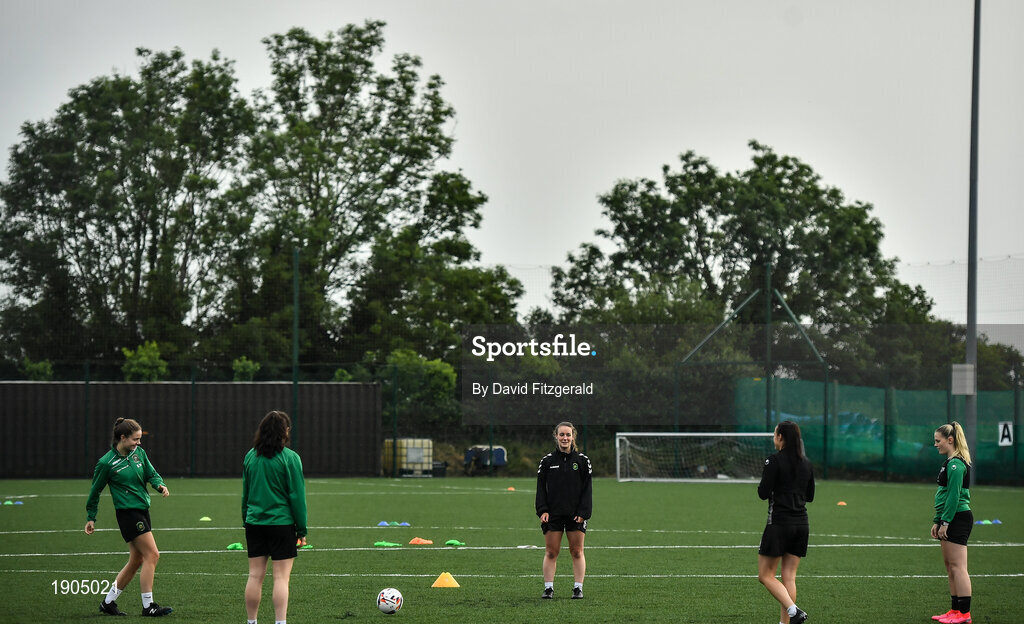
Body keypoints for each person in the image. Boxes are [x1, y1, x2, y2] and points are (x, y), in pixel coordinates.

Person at [85, 417, 173, 617]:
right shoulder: (106, 463)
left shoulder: (138, 453)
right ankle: (148, 606)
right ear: (122, 438)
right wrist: (91, 517)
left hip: (142, 510)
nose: (139, 443)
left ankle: (108, 602)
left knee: (137, 559)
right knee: (153, 555)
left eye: (140, 439)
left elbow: (151, 473)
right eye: (135, 439)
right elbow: (95, 491)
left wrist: (159, 484)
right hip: (128, 514)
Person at [242, 410, 308, 624]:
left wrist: (247, 519)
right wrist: (302, 530)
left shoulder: (251, 456)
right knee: (281, 578)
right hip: (282, 524)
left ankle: (252, 622)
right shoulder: (290, 458)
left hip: (255, 523)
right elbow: (297, 497)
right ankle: (280, 622)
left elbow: (246, 493)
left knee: (255, 576)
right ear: (285, 431)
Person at [757, 420, 814, 624]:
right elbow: (810, 496)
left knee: (765, 575)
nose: (774, 437)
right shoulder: (806, 463)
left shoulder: (773, 461)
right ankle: (785, 622)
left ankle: (794, 611)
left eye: (775, 434)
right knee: (788, 576)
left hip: (779, 524)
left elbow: (763, 493)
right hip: (801, 524)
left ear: (780, 437)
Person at [535, 421, 592, 600]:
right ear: (556, 436)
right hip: (553, 514)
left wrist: (583, 513)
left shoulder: (583, 461)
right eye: (562, 435)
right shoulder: (547, 461)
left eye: (568, 435)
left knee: (577, 551)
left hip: (576, 514)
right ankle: (549, 588)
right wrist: (542, 510)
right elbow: (540, 488)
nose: (565, 438)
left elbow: (587, 490)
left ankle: (578, 588)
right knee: (551, 552)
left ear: (573, 436)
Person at [930, 422, 974, 624]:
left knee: (958, 567)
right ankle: (955, 611)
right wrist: (937, 521)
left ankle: (964, 614)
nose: (935, 445)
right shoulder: (949, 463)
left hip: (957, 518)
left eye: (938, 441)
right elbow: (945, 495)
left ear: (950, 440)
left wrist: (946, 521)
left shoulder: (956, 464)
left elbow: (954, 497)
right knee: (950, 567)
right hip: (948, 519)